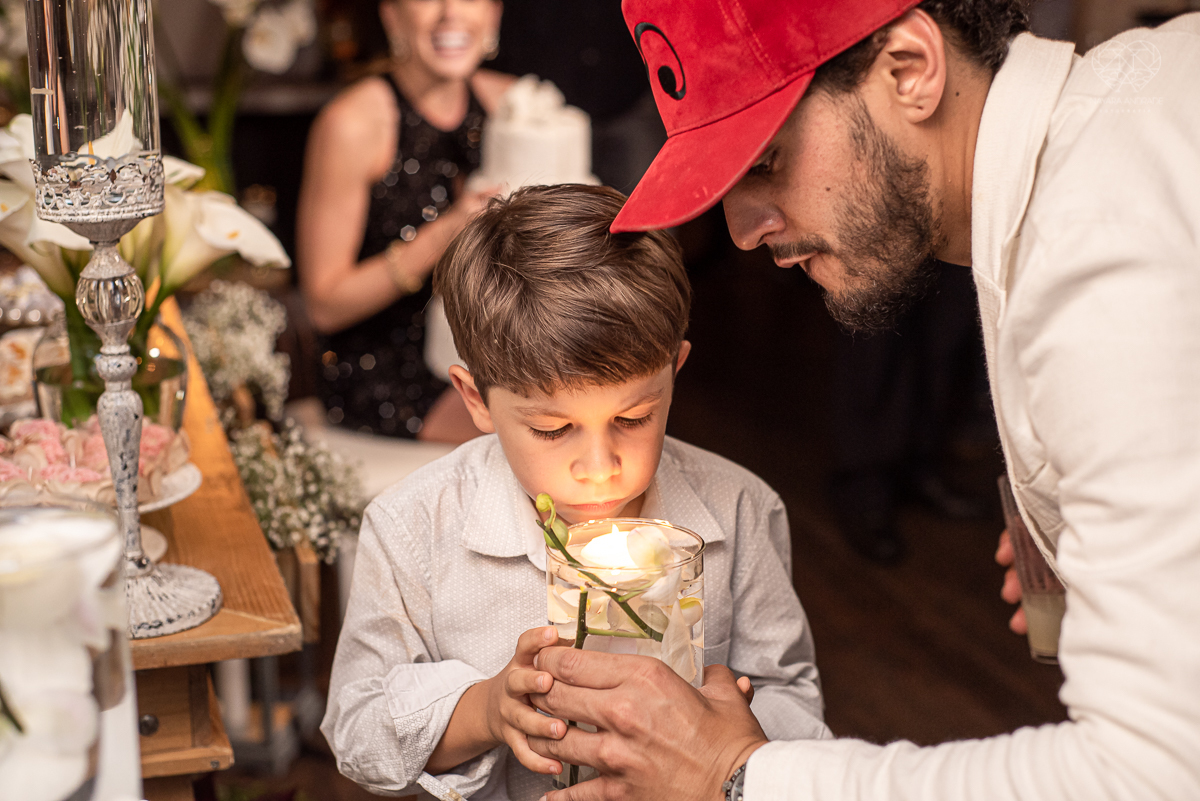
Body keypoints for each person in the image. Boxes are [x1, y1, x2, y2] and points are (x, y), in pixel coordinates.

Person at [521, 1, 1200, 800]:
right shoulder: (1137, 103)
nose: (742, 231)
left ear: (909, 69)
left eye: (768, 162)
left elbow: (1152, 771)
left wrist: (734, 775)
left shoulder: (1095, 252)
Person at [320, 184, 830, 801]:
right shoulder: (413, 526)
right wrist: (485, 711)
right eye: (553, 429)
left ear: (676, 371)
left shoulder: (740, 509)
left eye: (634, 417)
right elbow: (357, 728)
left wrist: (722, 741)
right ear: (477, 399)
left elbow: (792, 692)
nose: (598, 467)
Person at [296, 0, 511, 442]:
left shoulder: (510, 104)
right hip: (386, 369)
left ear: (493, 15)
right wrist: (447, 233)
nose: (451, 13)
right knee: (535, 431)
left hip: (488, 355)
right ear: (391, 16)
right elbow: (324, 305)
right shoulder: (352, 124)